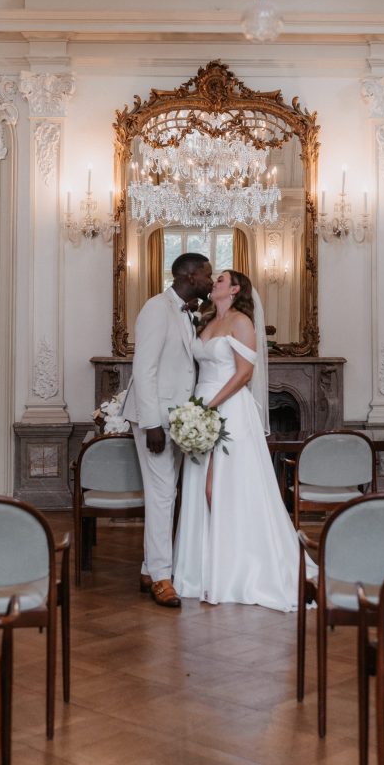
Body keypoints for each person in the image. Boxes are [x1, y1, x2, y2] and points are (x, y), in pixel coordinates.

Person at [173, 269, 317, 612]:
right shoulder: (205, 322)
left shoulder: (241, 322)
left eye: (220, 279)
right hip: (201, 407)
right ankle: (200, 570)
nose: (214, 283)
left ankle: (239, 566)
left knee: (222, 488)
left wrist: (211, 405)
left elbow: (244, 373)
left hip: (229, 410)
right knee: (198, 488)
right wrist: (195, 409)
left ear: (235, 289)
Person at [122, 252, 214, 608]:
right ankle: (162, 577)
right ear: (190, 276)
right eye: (207, 274)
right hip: (155, 419)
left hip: (177, 419)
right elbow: (143, 368)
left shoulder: (188, 312)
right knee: (162, 497)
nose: (211, 279)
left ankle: (149, 568)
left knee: (167, 495)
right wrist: (151, 424)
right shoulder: (157, 308)